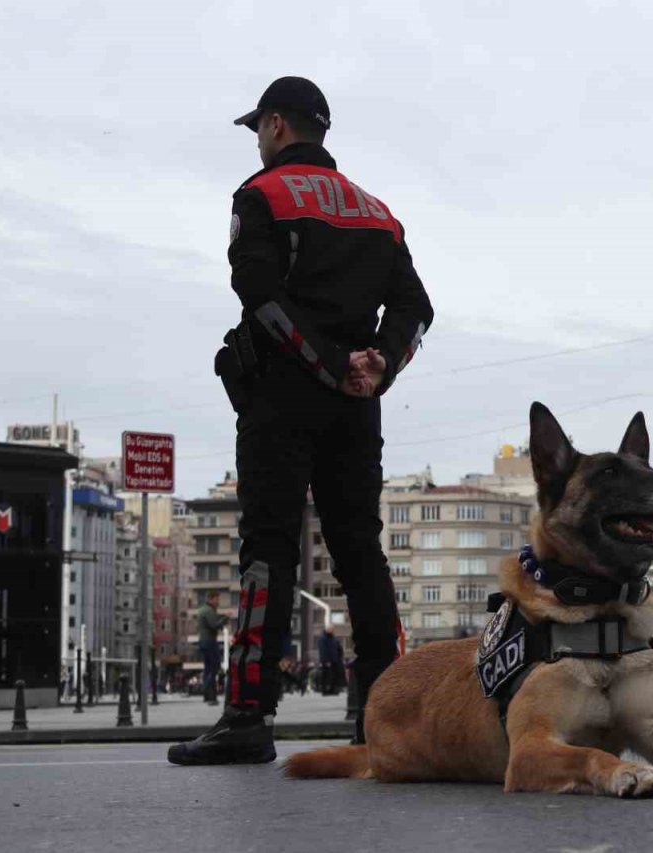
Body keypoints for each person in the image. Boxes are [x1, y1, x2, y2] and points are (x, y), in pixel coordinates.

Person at [169, 78, 434, 767]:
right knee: (359, 549)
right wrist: (377, 367)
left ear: (278, 124)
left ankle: (248, 715)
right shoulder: (380, 214)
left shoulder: (261, 196)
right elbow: (417, 309)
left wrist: (324, 362)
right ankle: (384, 713)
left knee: (269, 547)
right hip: (356, 406)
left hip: (283, 397)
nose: (258, 138)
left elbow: (258, 294)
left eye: (260, 126)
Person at [196, 592, 229, 704]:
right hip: (209, 642)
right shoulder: (209, 611)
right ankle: (207, 690)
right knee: (215, 666)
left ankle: (208, 696)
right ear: (210, 599)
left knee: (208, 669)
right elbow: (214, 625)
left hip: (203, 641)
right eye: (216, 599)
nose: (218, 602)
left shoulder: (202, 610)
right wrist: (225, 619)